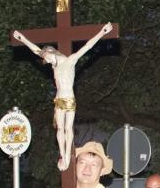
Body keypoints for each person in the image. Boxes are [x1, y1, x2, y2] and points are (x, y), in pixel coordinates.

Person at [13, 23, 113, 171]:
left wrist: (102, 32)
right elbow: (37, 51)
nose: (47, 62)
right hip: (59, 100)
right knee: (60, 128)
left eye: (47, 58)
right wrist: (22, 39)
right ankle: (63, 155)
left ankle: (67, 154)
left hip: (69, 99)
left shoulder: (70, 60)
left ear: (52, 53)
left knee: (67, 128)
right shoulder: (55, 64)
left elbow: (87, 46)